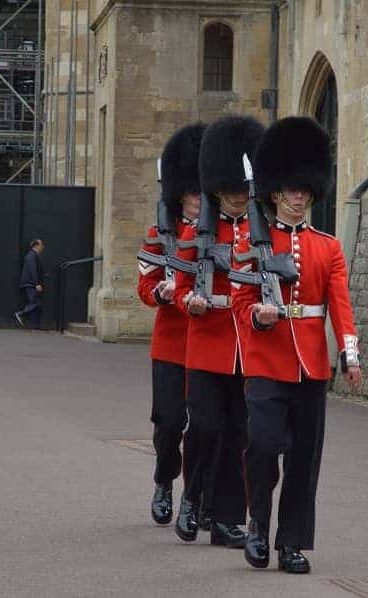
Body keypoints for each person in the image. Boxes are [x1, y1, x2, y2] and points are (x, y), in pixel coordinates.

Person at [232, 117, 363, 574]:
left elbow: (340, 306)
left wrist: (349, 353)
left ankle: (291, 543)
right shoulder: (251, 242)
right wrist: (256, 315)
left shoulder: (327, 247)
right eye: (290, 189)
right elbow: (239, 298)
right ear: (274, 192)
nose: (298, 196)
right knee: (263, 447)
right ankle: (257, 523)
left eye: (304, 189)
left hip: (311, 365)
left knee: (305, 460)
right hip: (266, 362)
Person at [172, 114, 265, 548]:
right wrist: (187, 302)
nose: (236, 199)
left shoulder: (258, 232)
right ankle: (191, 499)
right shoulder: (195, 231)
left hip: (247, 345)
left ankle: (227, 518)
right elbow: (181, 285)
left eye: (242, 191)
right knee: (205, 425)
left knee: (239, 435)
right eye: (230, 192)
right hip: (206, 341)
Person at [137, 122, 205, 526]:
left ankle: (194, 500)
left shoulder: (222, 234)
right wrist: (160, 293)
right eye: (193, 192)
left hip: (207, 343)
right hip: (169, 343)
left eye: (202, 191)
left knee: (204, 428)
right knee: (168, 423)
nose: (198, 199)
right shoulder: (160, 234)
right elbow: (144, 284)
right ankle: (165, 481)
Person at [15, 239, 45, 328]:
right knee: (35, 302)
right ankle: (20, 314)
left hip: (30, 283)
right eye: (41, 245)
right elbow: (32, 270)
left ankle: (34, 324)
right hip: (30, 284)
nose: (43, 247)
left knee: (37, 303)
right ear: (36, 246)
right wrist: (37, 284)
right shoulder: (31, 256)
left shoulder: (33, 255)